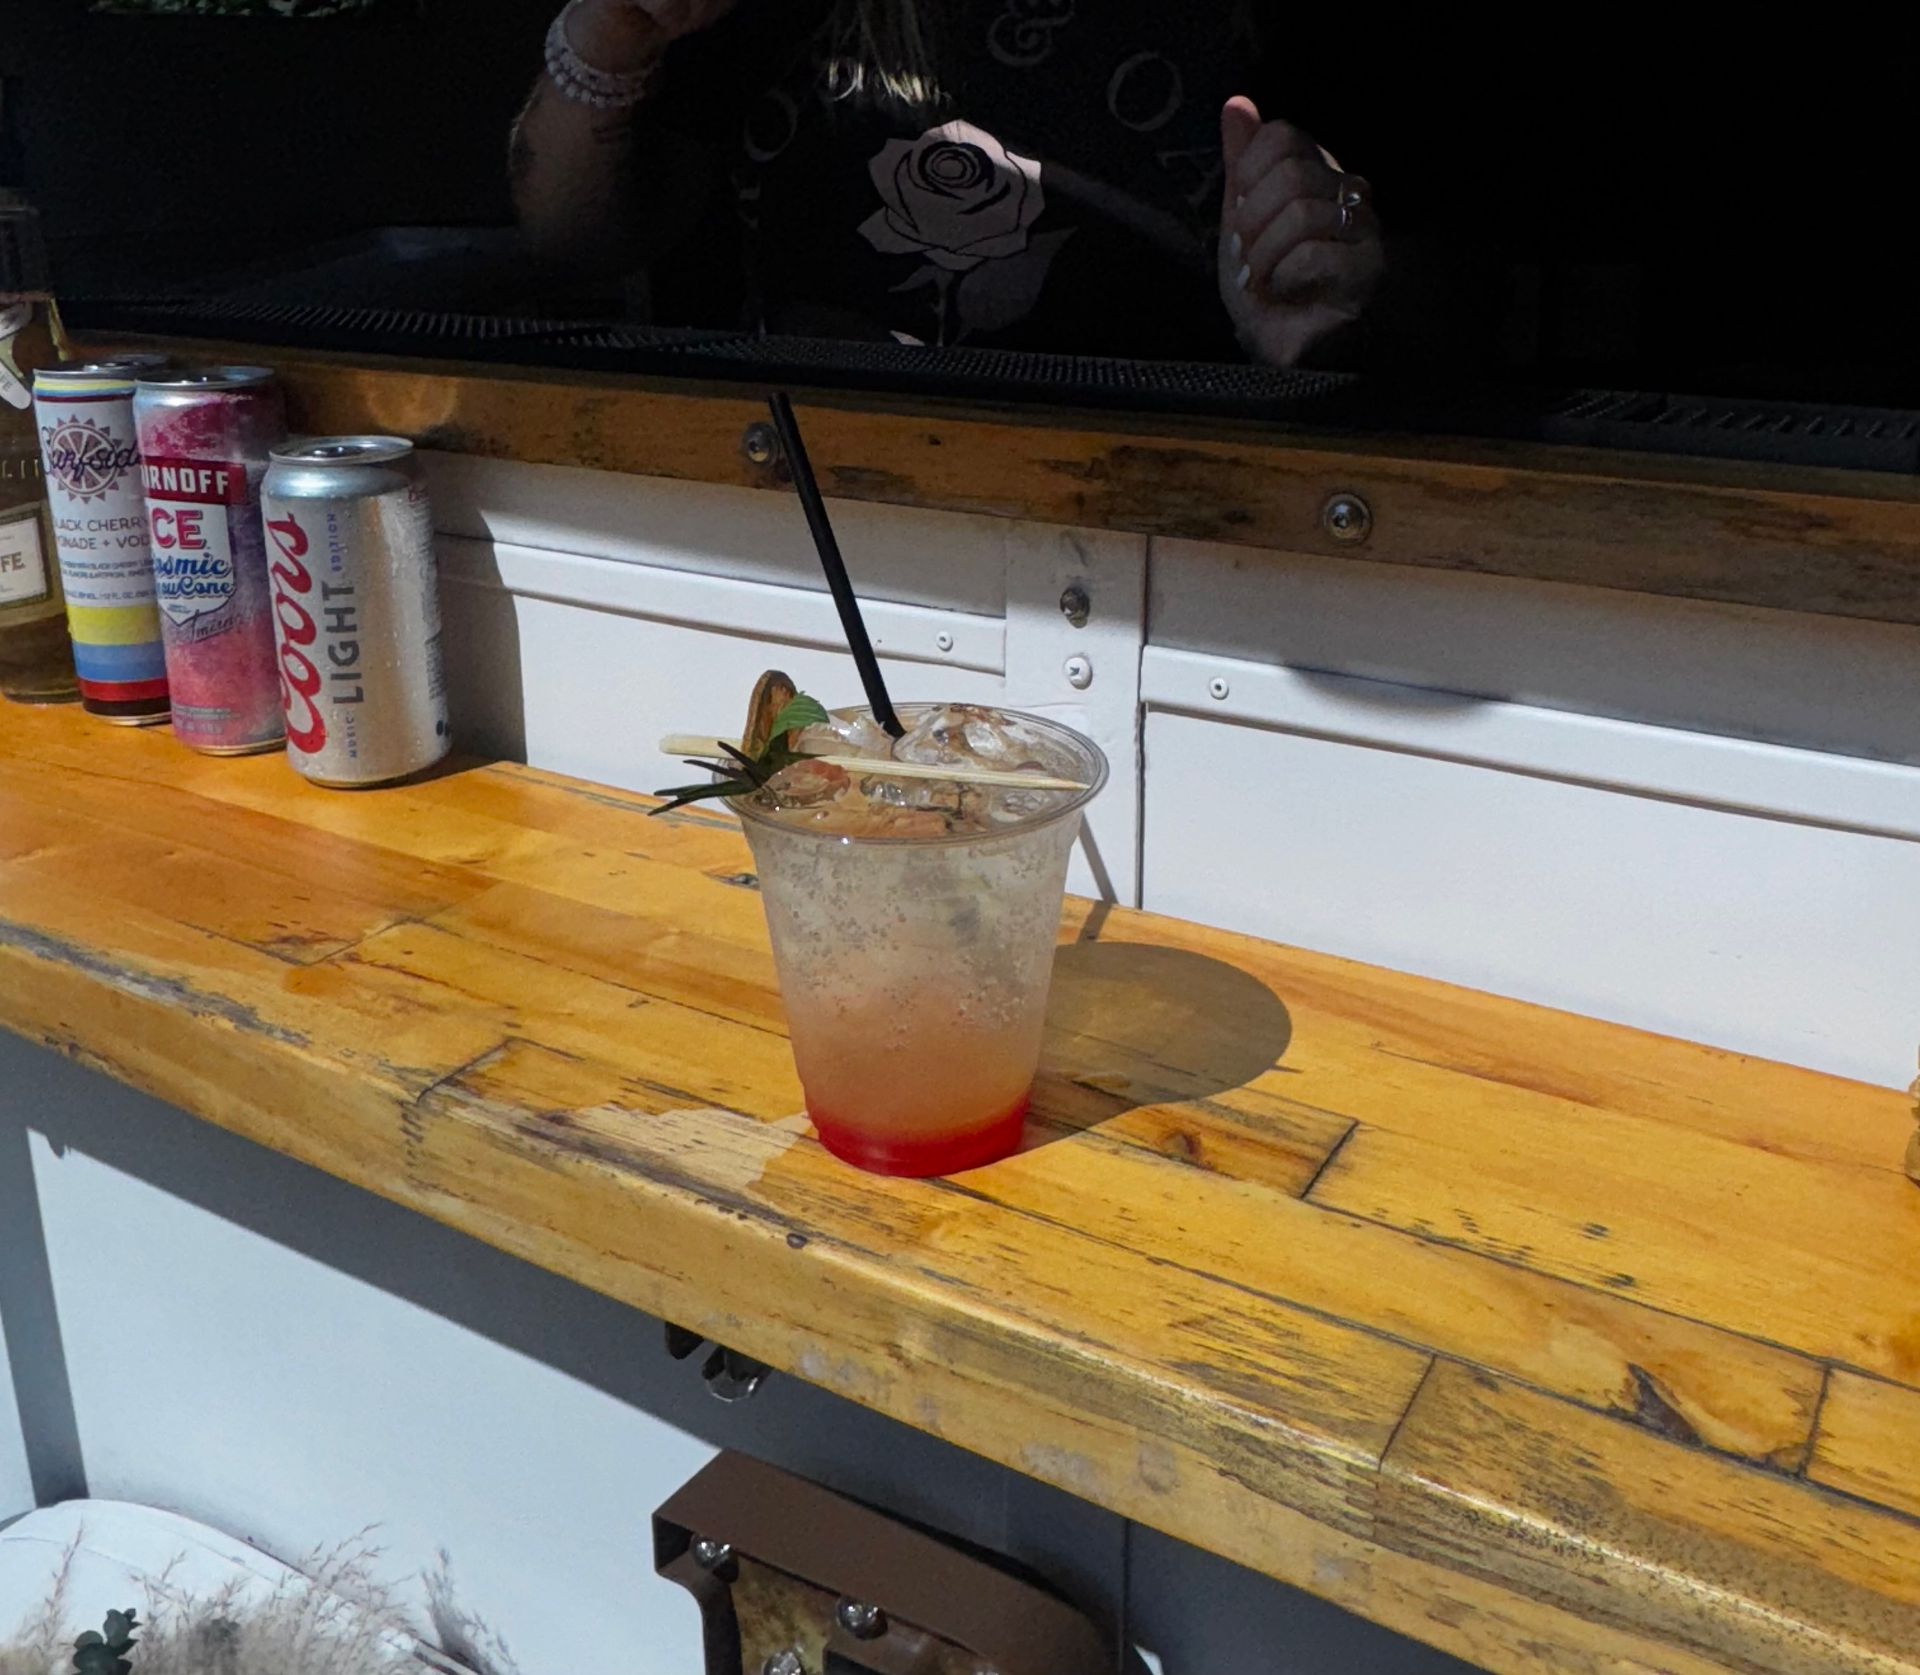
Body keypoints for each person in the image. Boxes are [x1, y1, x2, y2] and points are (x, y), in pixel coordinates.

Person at [510, 0, 1383, 367]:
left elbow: (1472, 320)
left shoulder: (1268, 23)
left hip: (1157, 513)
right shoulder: (775, 13)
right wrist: (607, 33)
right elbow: (579, 241)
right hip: (798, 505)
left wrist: (1320, 296)